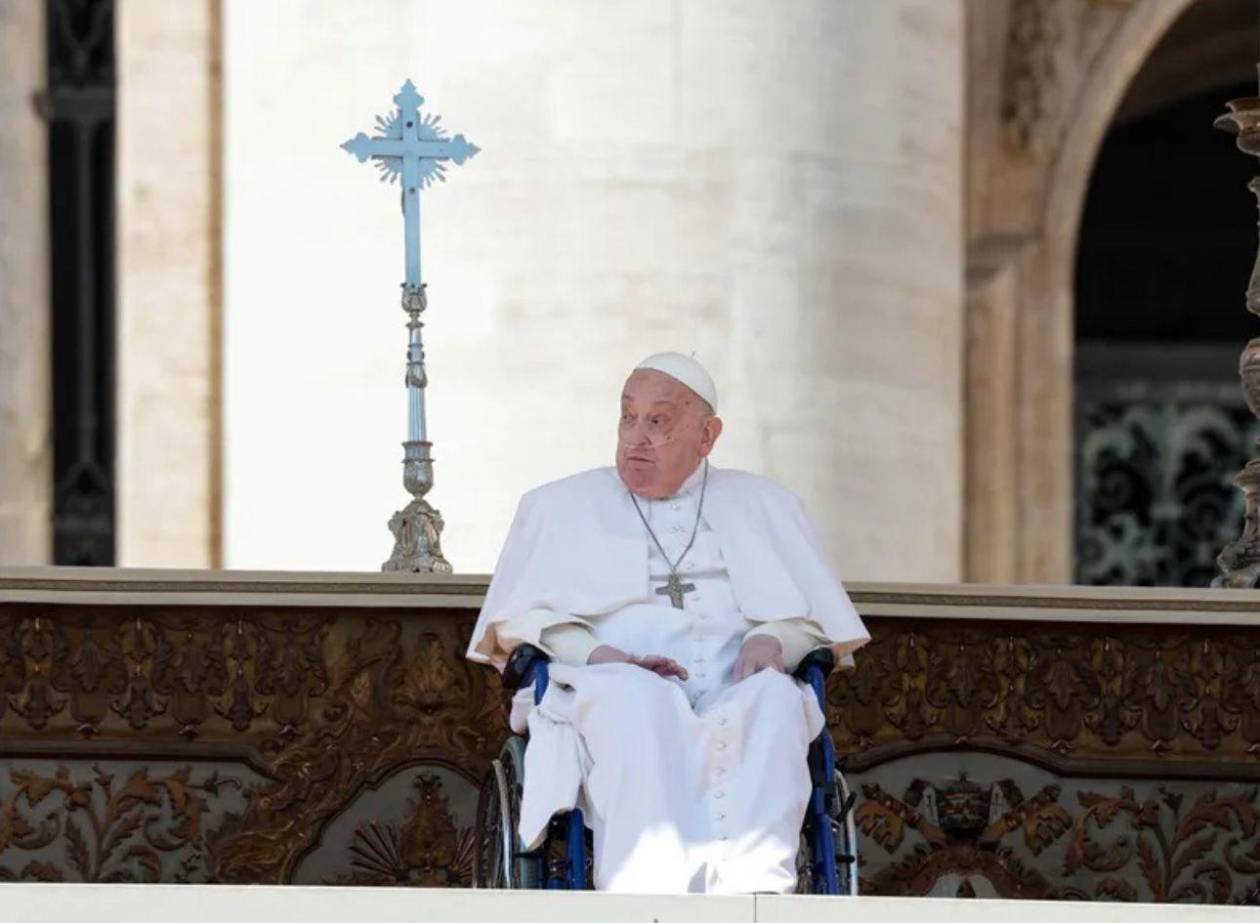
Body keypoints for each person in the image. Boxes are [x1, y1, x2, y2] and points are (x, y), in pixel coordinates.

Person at [467, 351, 869, 894]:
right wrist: (599, 656)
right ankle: (646, 892)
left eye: (658, 422)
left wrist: (774, 638)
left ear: (707, 436)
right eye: (627, 417)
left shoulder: (766, 505)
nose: (636, 438)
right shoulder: (558, 507)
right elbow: (521, 622)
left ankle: (757, 892)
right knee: (637, 701)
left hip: (738, 686)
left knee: (776, 703)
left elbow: (817, 624)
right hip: (610, 684)